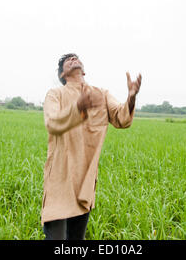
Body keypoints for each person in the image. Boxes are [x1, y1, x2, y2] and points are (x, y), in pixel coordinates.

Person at [41, 53, 142, 240]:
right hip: (60, 180)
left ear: (84, 70)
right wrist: (78, 107)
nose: (73, 59)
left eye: (76, 57)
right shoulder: (55, 94)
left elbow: (122, 119)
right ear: (62, 75)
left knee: (76, 240)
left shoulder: (100, 94)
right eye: (68, 60)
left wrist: (131, 97)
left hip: (84, 182)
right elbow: (53, 123)